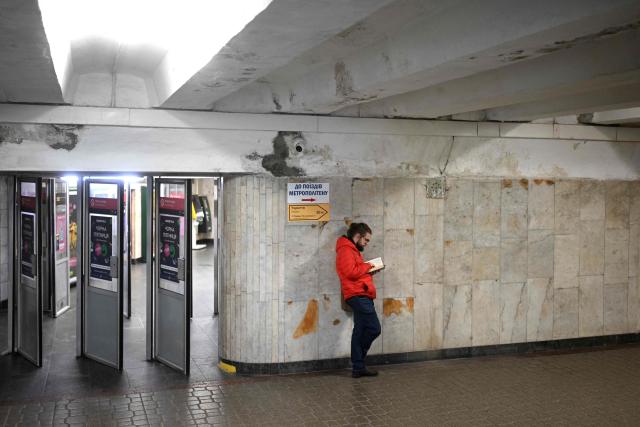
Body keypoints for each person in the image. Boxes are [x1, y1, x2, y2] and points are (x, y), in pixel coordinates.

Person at [335, 222, 381, 378]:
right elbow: (350, 272)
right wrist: (368, 266)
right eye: (366, 240)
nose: (366, 243)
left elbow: (356, 272)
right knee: (374, 328)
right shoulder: (346, 249)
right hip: (357, 295)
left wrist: (369, 271)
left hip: (361, 293)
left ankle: (358, 367)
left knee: (359, 330)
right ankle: (359, 360)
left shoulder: (352, 250)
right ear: (358, 236)